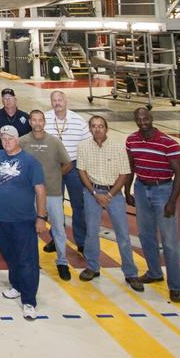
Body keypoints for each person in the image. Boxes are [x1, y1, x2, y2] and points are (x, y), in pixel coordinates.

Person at [0, 125, 47, 319]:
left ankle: (29, 300)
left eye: (10, 138)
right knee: (9, 255)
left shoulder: (30, 162)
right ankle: (17, 286)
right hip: (0, 218)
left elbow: (40, 190)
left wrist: (41, 217)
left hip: (23, 220)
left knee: (27, 260)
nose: (6, 141)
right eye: (3, 138)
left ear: (17, 139)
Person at [126, 106, 180, 302]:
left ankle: (175, 285)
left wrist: (172, 201)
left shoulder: (169, 143)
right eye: (139, 119)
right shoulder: (131, 140)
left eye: (145, 119)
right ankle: (154, 272)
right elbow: (131, 167)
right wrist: (127, 191)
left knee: (169, 241)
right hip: (141, 188)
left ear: (151, 118)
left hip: (163, 190)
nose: (142, 123)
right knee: (146, 235)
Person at [78, 115, 143, 290]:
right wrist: (94, 193)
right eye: (93, 126)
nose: (97, 129)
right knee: (91, 232)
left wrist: (109, 194)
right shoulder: (83, 147)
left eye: (100, 126)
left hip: (114, 193)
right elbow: (82, 171)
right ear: (89, 129)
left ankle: (130, 272)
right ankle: (93, 267)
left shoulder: (118, 148)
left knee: (123, 234)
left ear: (106, 128)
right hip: (92, 193)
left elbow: (124, 174)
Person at [19, 111, 73, 280]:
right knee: (30, 229)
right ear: (30, 122)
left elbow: (68, 164)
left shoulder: (54, 142)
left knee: (58, 228)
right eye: (34, 120)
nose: (37, 123)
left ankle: (62, 262)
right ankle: (31, 261)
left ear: (44, 122)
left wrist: (56, 176)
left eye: (40, 120)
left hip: (53, 193)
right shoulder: (22, 141)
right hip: (30, 195)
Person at [46, 90, 91, 252]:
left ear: (66, 101)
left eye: (60, 100)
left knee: (79, 205)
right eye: (54, 100)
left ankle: (82, 241)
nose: (57, 103)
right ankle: (56, 239)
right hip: (52, 168)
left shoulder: (78, 121)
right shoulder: (45, 119)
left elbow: (88, 146)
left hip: (73, 167)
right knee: (54, 206)